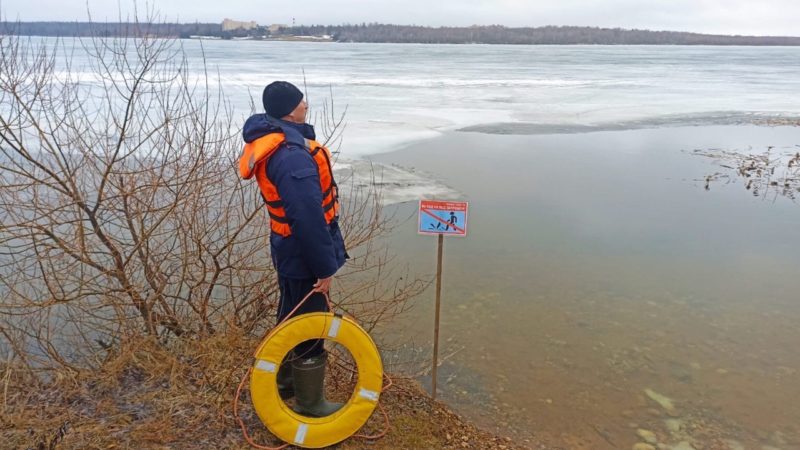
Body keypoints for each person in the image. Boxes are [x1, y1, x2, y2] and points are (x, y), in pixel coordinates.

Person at [239, 81, 348, 417]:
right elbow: (307, 217)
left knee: (290, 314)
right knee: (311, 323)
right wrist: (324, 268)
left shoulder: (283, 144)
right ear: (290, 110)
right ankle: (309, 403)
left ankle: (285, 383)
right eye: (302, 101)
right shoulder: (291, 155)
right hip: (303, 254)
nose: (306, 105)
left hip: (288, 248)